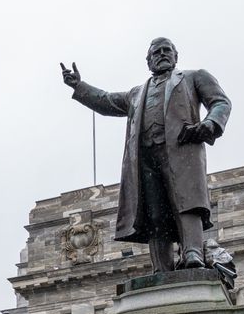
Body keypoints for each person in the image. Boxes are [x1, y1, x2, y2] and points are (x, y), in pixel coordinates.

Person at [60, 38, 231, 272]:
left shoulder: (194, 77)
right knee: (154, 212)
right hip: (145, 159)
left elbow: (220, 102)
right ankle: (161, 267)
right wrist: (79, 86)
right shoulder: (137, 94)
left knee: (187, 201)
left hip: (182, 151)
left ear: (175, 56)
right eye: (156, 52)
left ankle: (193, 252)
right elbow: (106, 101)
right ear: (148, 61)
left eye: (166, 50)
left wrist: (211, 124)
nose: (162, 54)